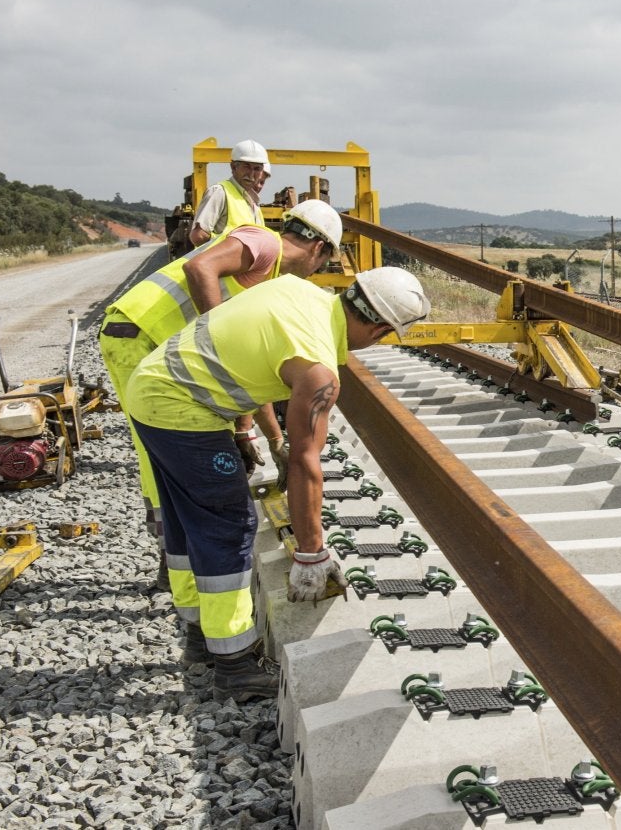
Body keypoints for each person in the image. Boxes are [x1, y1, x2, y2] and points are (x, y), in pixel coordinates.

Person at [123, 267, 428, 700]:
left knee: (186, 518)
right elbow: (307, 460)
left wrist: (265, 437)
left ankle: (199, 637)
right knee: (228, 525)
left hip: (150, 388)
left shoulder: (296, 291)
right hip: (181, 408)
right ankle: (234, 666)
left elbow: (248, 366)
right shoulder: (319, 371)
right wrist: (311, 552)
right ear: (380, 330)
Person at [99, 200, 344, 591]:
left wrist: (268, 437)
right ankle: (173, 562)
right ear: (318, 248)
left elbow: (245, 376)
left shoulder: (268, 276)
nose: (314, 274)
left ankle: (180, 566)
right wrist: (215, 334)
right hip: (138, 334)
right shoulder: (264, 243)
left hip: (145, 338)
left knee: (167, 455)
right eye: (322, 265)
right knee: (158, 456)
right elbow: (200, 268)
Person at [188, 139, 271, 247]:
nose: (251, 174)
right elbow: (198, 236)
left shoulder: (254, 204)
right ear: (233, 167)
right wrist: (229, 252)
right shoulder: (219, 192)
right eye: (246, 167)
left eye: (257, 169)